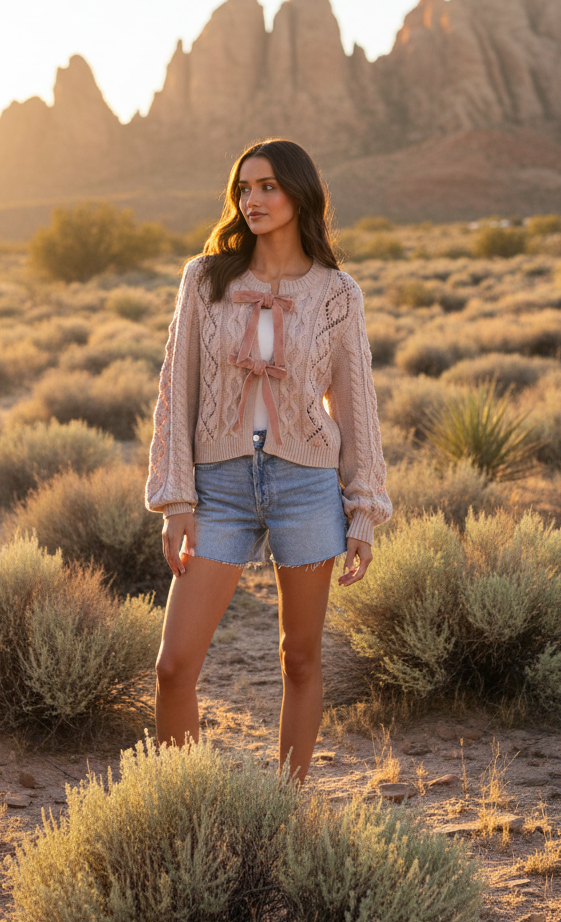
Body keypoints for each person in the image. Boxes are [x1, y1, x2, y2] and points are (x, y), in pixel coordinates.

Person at [145, 138, 391, 783]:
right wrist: (176, 501)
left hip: (307, 486)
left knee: (300, 658)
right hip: (219, 487)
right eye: (244, 189)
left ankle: (288, 802)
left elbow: (356, 402)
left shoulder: (338, 293)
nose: (253, 200)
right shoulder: (206, 279)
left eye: (268, 187)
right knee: (174, 666)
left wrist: (363, 510)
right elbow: (176, 388)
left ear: (299, 194)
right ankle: (182, 806)